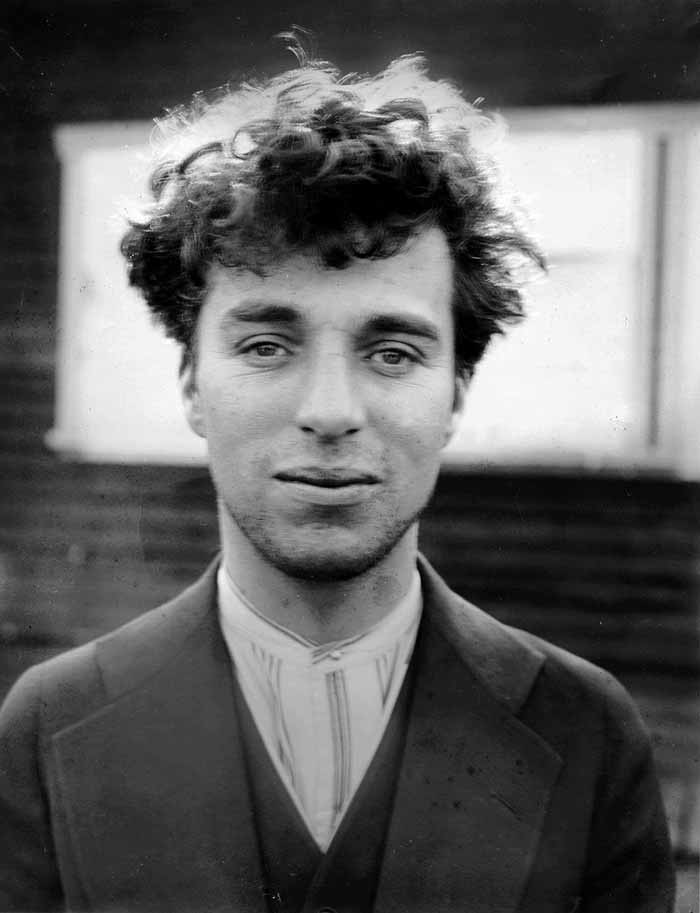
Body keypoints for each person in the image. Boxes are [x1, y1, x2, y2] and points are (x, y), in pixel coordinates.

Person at [0, 52, 675, 913]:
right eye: (266, 346)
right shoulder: (50, 724)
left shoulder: (585, 730)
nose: (329, 411)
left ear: (455, 394)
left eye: (391, 352)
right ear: (191, 385)